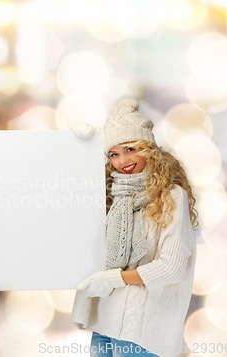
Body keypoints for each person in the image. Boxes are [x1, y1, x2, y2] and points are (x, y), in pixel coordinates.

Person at [71, 98, 198, 357]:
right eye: (114, 154)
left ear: (148, 148)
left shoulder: (171, 196)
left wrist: (114, 279)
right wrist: (76, 147)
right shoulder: (109, 196)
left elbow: (171, 267)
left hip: (145, 337)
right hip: (103, 328)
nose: (122, 161)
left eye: (130, 149)